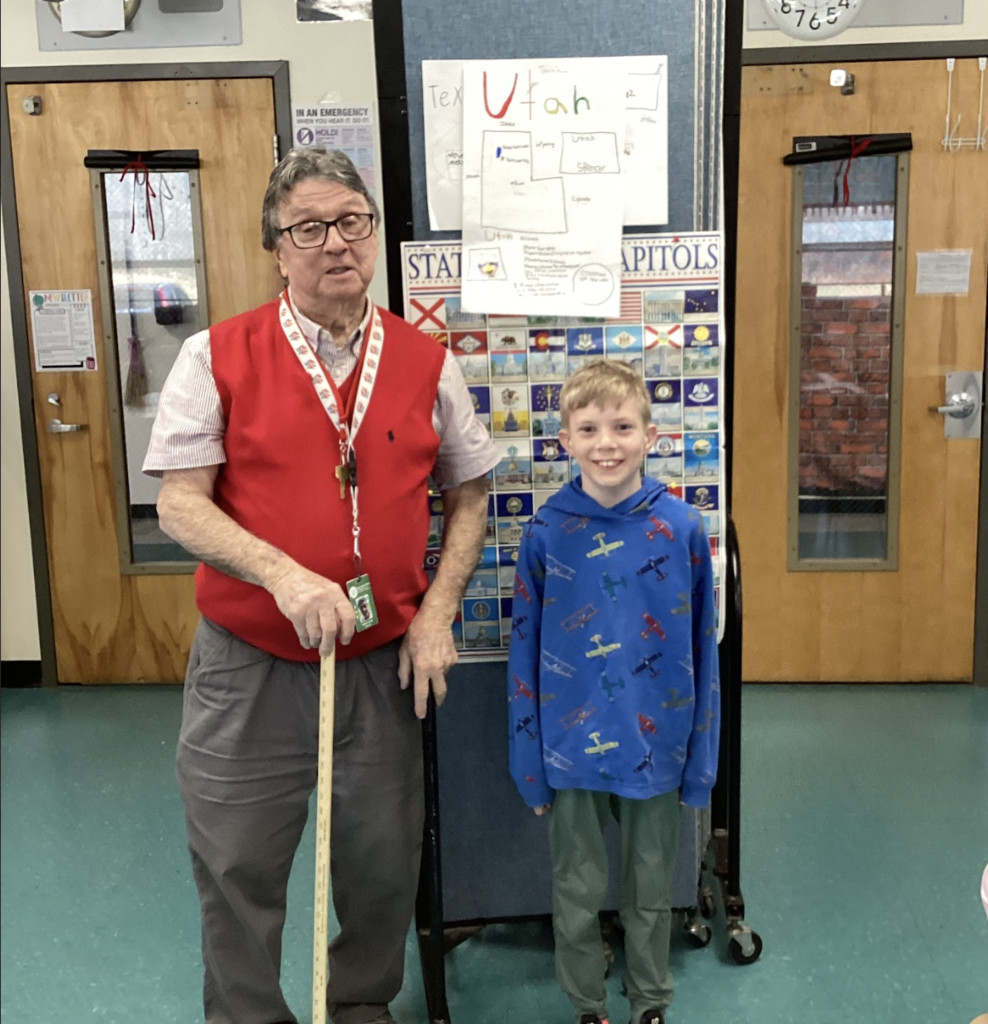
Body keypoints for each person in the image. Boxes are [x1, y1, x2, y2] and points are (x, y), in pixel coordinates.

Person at [144, 148, 498, 1024]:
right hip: (249, 664)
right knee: (237, 864)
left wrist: (436, 614)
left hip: (382, 662)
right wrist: (280, 572)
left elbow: (470, 493)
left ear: (373, 233)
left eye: (352, 222)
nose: (335, 243)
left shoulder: (424, 360)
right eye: (309, 227)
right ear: (277, 246)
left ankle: (360, 1006)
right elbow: (179, 506)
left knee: (381, 864)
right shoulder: (215, 355)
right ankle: (249, 1016)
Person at [507, 360, 720, 1024]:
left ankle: (650, 999)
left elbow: (701, 653)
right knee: (575, 888)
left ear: (651, 435)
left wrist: (701, 762)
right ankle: (587, 1005)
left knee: (650, 889)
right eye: (590, 427)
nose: (607, 442)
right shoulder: (546, 532)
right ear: (565, 439)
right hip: (571, 749)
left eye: (623, 426)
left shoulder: (681, 530)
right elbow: (524, 654)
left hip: (657, 747)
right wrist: (529, 763)